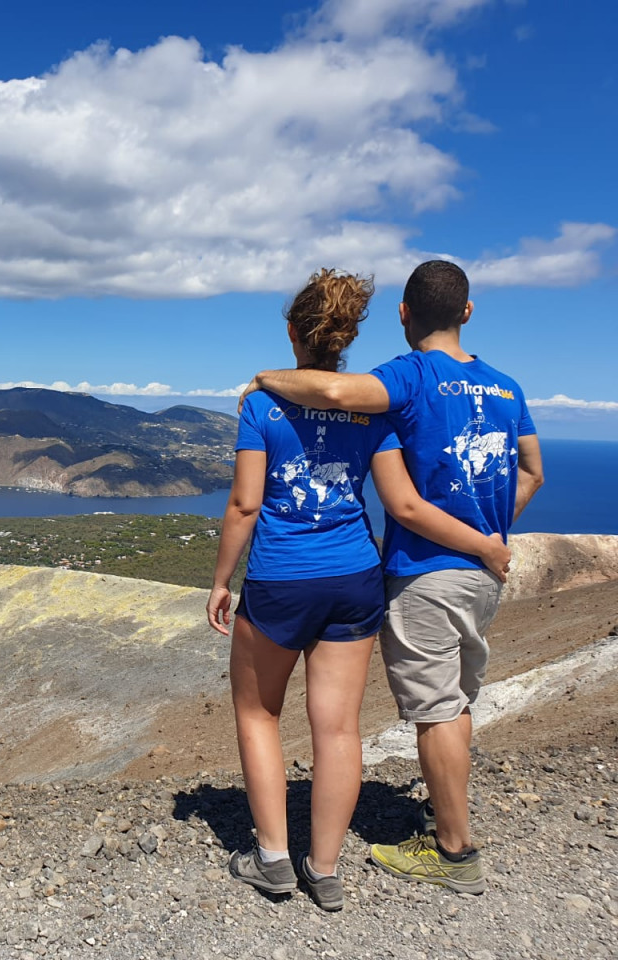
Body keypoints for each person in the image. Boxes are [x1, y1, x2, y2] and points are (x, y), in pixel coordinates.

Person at [209, 268, 511, 912]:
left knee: (259, 715)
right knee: (338, 728)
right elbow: (398, 498)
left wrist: (220, 581)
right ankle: (324, 867)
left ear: (293, 334)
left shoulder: (262, 405)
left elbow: (243, 505)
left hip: (283, 577)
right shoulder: (371, 409)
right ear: (344, 338)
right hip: (355, 576)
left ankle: (270, 859)